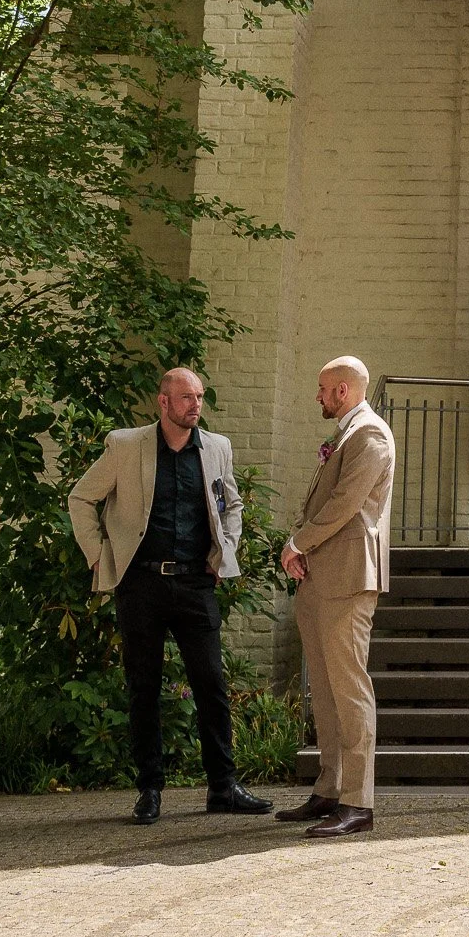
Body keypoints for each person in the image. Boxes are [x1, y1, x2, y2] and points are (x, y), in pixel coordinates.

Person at [68, 366, 273, 826]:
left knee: (212, 685)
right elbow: (80, 498)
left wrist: (225, 551)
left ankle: (223, 787)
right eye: (186, 397)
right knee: (143, 687)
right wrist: (98, 555)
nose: (196, 404)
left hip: (196, 582)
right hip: (140, 583)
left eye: (199, 396)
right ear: (163, 402)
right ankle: (150, 790)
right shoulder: (126, 446)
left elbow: (232, 504)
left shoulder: (217, 448)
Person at [276, 355, 396, 839]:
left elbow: (345, 504)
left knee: (349, 688)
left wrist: (297, 543)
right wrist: (302, 549)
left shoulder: (370, 434)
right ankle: (329, 788)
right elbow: (322, 502)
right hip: (320, 574)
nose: (318, 397)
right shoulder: (348, 433)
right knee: (323, 690)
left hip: (348, 576)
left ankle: (357, 802)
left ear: (343, 391)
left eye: (324, 389)